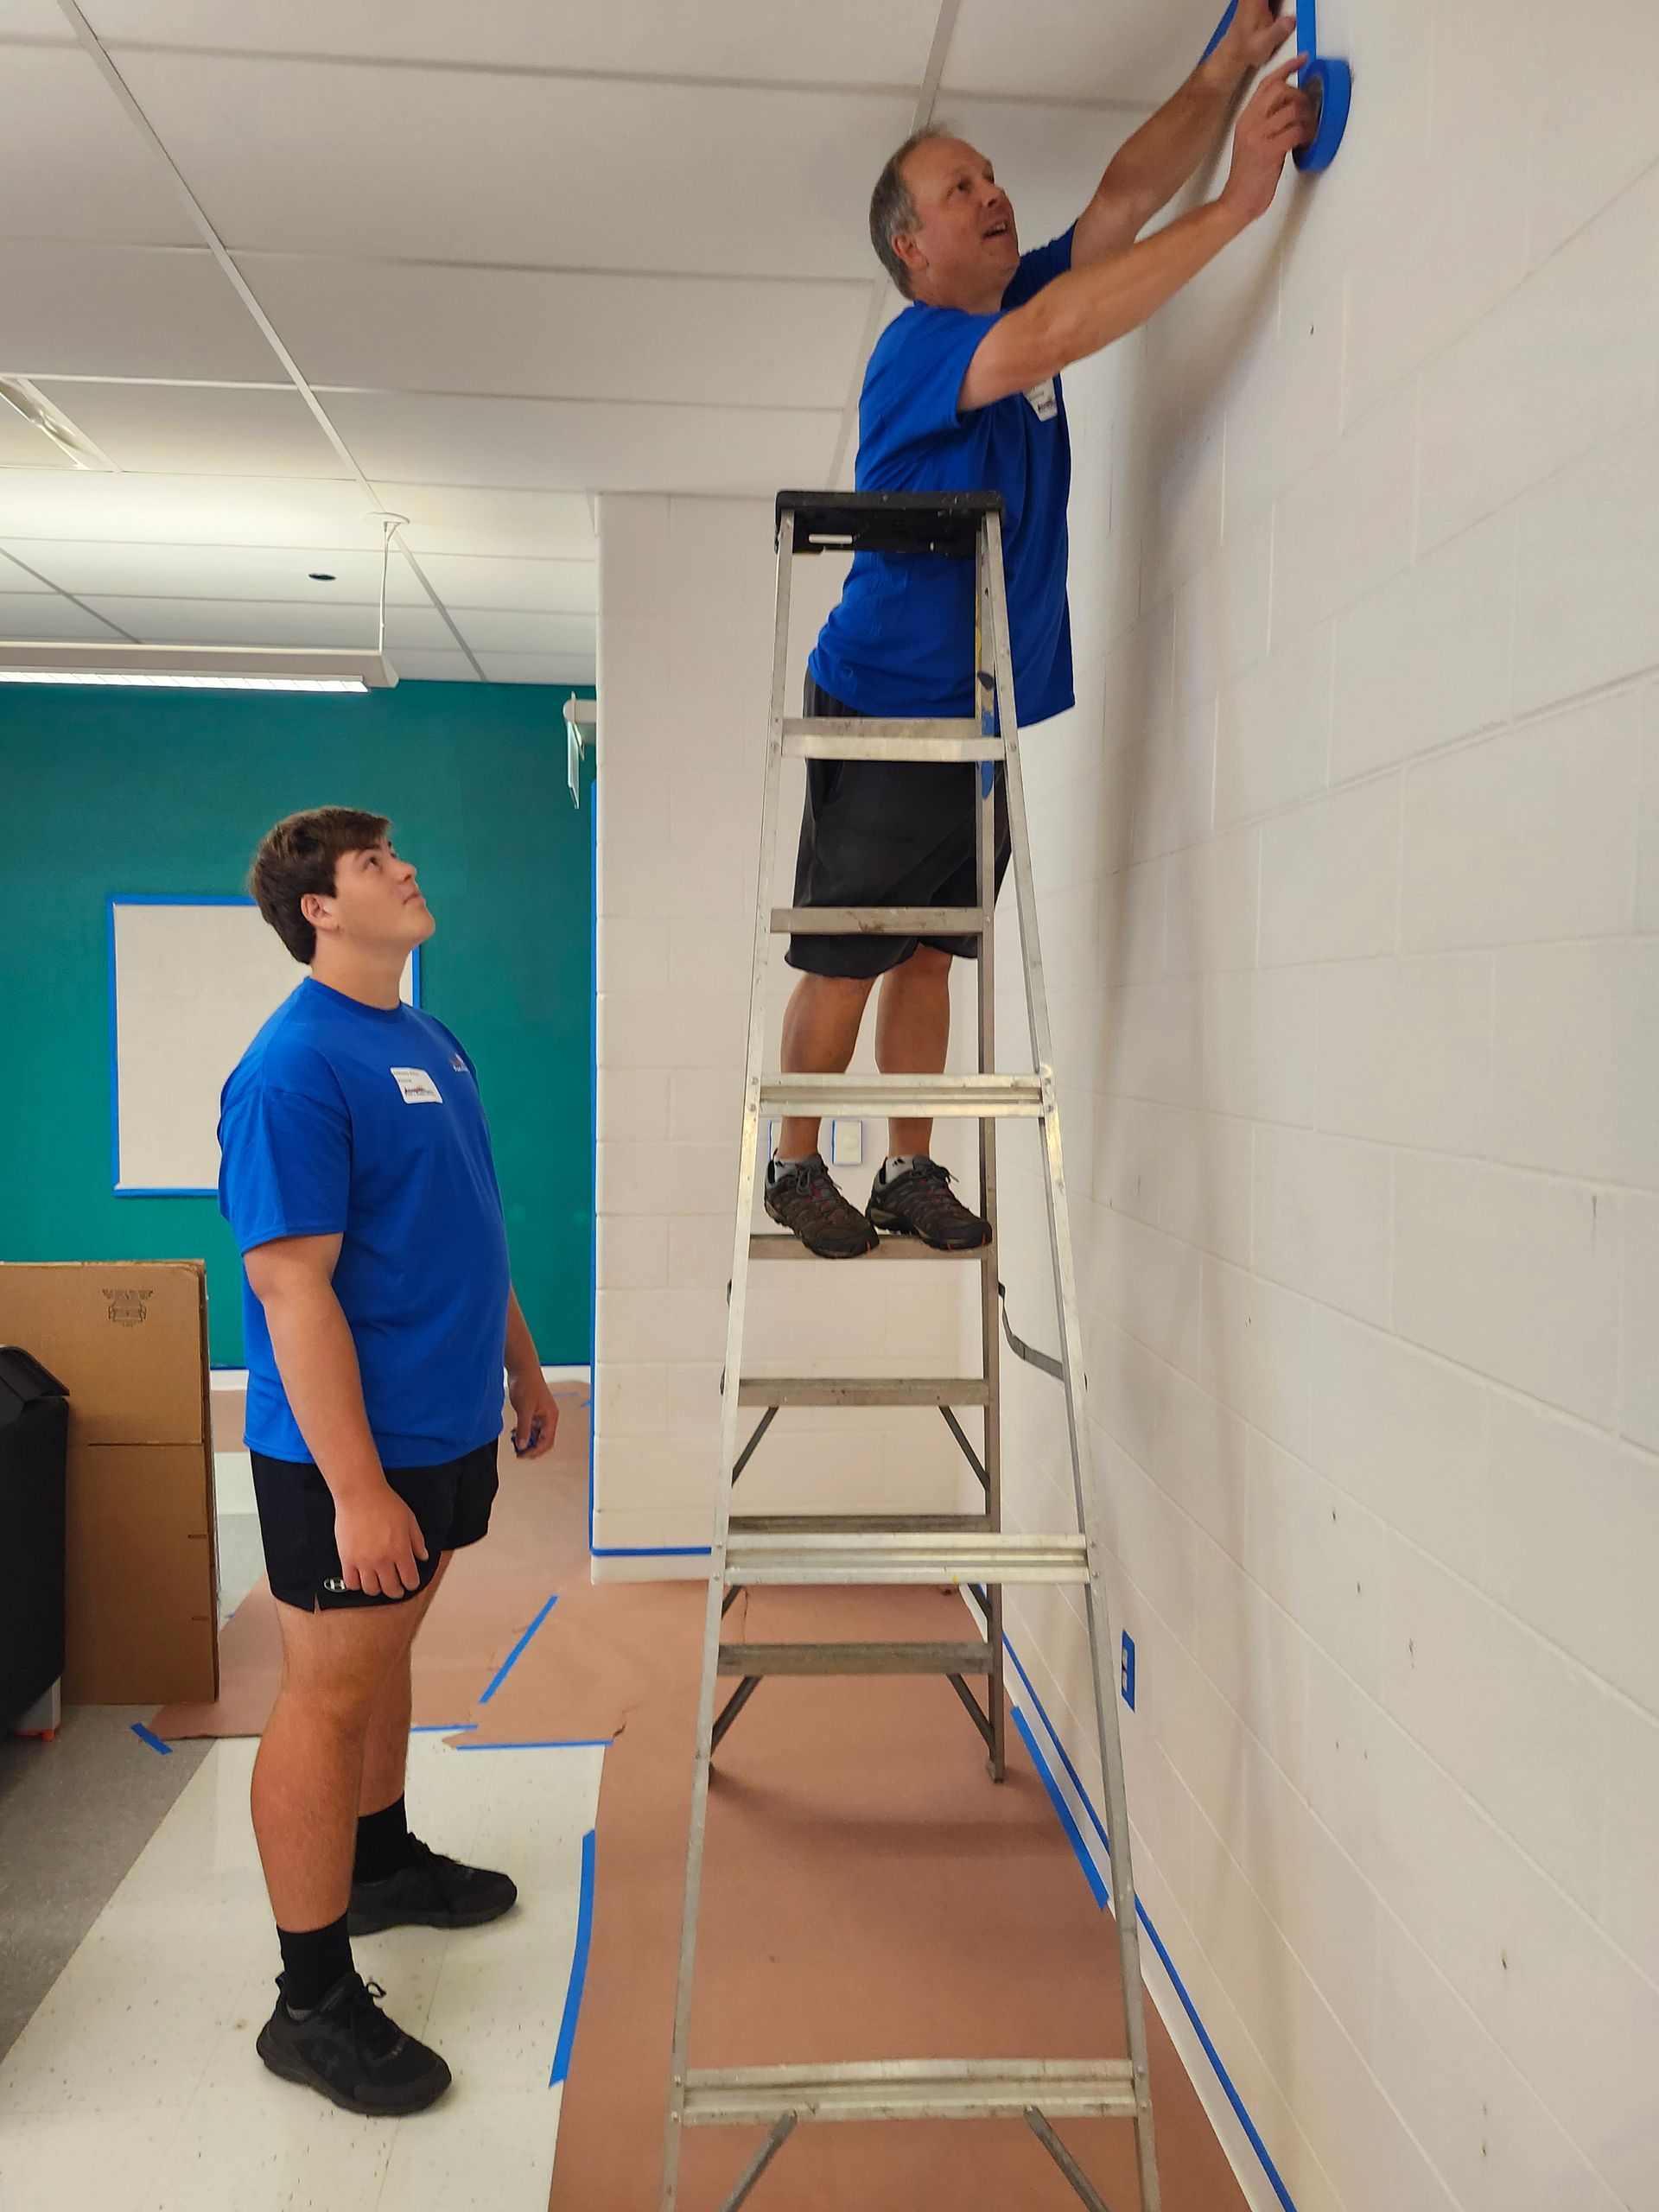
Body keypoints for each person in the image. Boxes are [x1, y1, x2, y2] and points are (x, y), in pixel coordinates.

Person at [766, 1, 1313, 1258]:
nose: (993, 193)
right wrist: (1238, 207)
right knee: (849, 954)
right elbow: (1066, 327)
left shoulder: (1020, 304)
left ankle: (906, 1167)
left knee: (930, 953)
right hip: (888, 697)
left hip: (982, 708)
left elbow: (1121, 200)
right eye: (960, 188)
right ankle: (793, 1167)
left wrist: (1227, 63)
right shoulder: (920, 348)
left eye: (993, 175)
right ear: (912, 246)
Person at [217, 805, 560, 2114]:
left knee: (385, 1656)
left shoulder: (429, 1037)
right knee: (325, 1694)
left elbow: (470, 1220)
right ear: (319, 908)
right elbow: (291, 1290)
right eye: (374, 863)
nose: (405, 869)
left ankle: (379, 1861)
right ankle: (309, 2005)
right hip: (349, 1453)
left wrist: (521, 1363)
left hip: (444, 1419)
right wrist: (355, 1489)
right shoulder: (291, 1068)